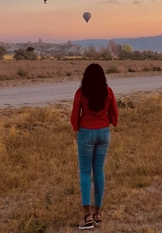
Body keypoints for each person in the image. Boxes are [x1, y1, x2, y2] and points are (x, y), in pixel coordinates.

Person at [70, 63, 119, 229]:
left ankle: (87, 215)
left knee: (85, 172)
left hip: (86, 132)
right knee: (99, 171)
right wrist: (113, 122)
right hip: (103, 132)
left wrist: (76, 127)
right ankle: (97, 213)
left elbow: (75, 113)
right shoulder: (108, 92)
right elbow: (114, 111)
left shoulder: (81, 93)